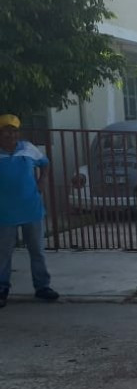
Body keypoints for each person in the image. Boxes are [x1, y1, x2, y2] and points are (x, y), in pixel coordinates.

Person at [0, 114, 58, 308]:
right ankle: (2, 289)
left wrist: (42, 180)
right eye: (7, 131)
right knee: (3, 253)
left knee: (37, 251)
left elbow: (45, 162)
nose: (11, 134)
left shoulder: (28, 148)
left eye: (15, 131)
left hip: (31, 209)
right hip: (4, 213)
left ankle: (42, 287)